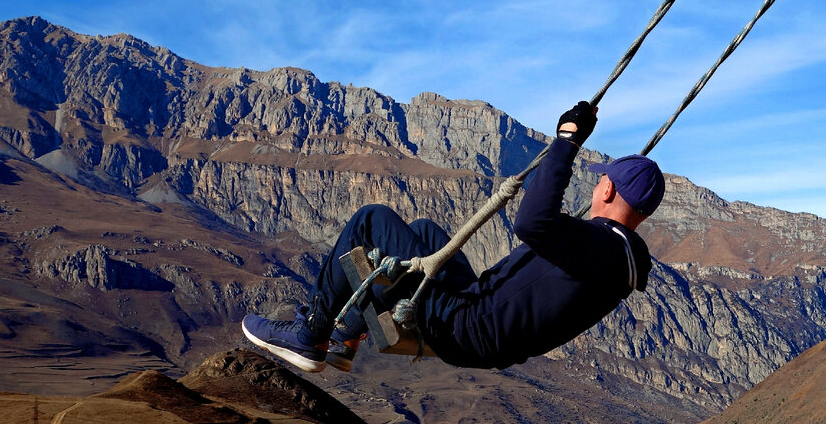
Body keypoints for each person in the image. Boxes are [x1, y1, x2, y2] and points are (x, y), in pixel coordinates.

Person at [241, 101, 662, 372]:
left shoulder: (601, 246)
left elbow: (532, 223)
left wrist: (566, 143)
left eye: (599, 182)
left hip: (467, 326)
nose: (595, 188)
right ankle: (347, 331)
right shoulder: (613, 256)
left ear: (606, 190)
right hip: (479, 315)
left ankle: (310, 335)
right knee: (426, 232)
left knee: (371, 220)